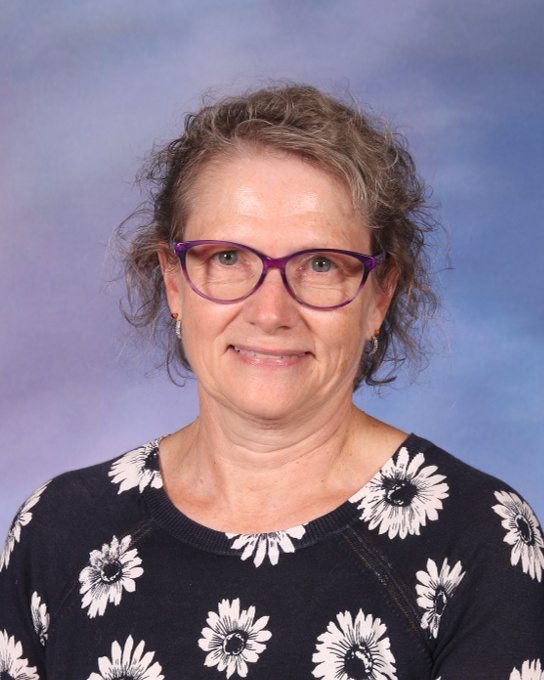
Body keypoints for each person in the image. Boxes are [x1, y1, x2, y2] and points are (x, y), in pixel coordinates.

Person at [1, 84, 543, 680]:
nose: (270, 312)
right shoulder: (60, 532)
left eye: (320, 264)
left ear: (379, 297)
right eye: (229, 258)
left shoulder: (477, 542)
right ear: (174, 282)